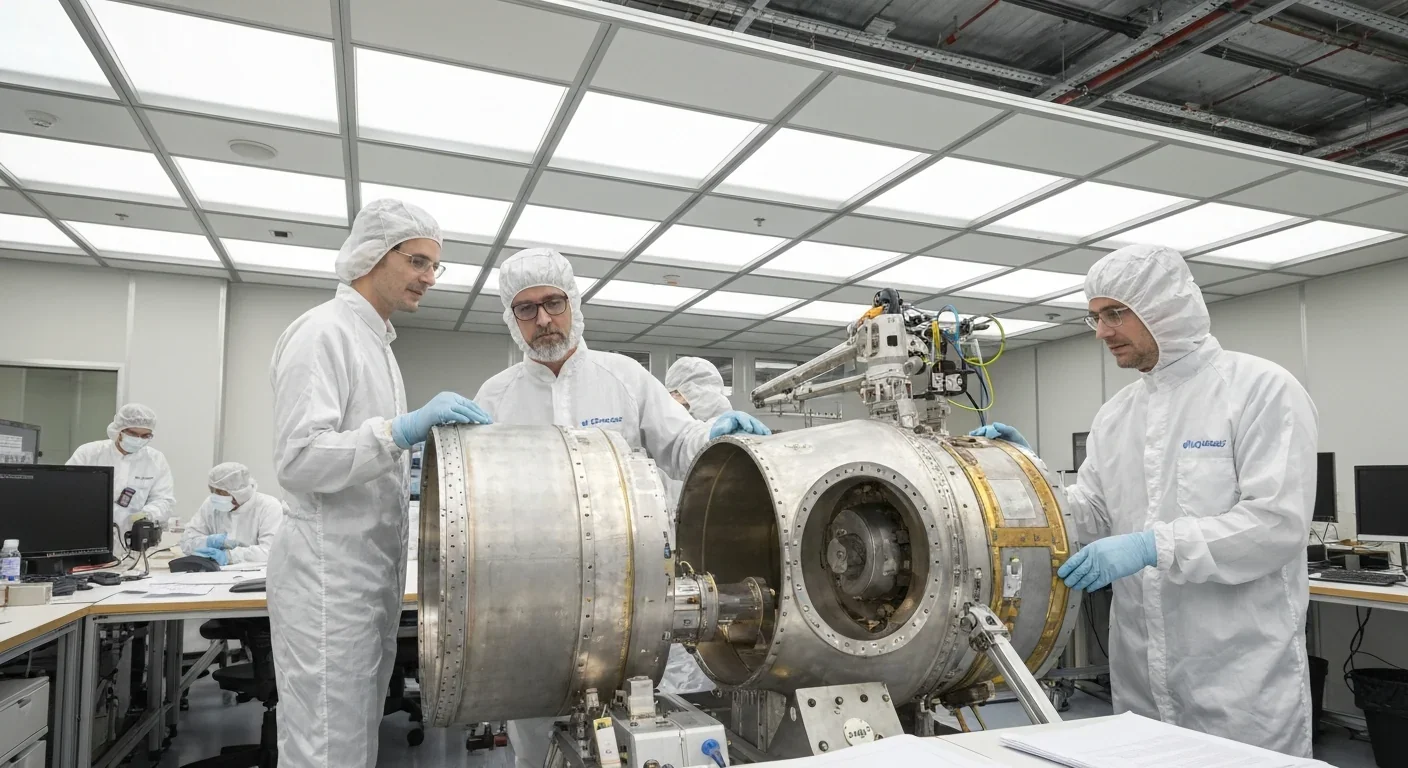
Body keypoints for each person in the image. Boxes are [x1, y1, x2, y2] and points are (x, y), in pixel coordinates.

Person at [971, 244, 1318, 757]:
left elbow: (1275, 526)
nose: (1103, 333)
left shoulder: (1261, 390)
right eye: (1094, 317)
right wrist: (1031, 478)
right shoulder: (1116, 416)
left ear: (1168, 308)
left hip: (1238, 678)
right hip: (1140, 674)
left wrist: (1152, 546)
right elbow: (1089, 512)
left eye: (1116, 314)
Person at [473, 248, 769, 767]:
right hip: (532, 600)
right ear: (510, 318)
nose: (543, 319)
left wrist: (716, 438)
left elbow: (681, 446)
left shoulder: (623, 378)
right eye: (526, 309)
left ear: (573, 303)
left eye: (553, 302)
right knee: (535, 736)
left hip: (626, 596)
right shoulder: (496, 398)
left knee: (628, 733)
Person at [267, 199, 490, 768]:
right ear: (372, 255)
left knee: (351, 739)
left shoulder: (376, 343)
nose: (428, 278)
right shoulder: (324, 332)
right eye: (417, 261)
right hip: (328, 578)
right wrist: (399, 430)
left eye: (435, 266)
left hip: (365, 578)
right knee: (326, 745)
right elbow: (298, 459)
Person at [657, 356, 737, 695]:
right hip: (704, 583)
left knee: (688, 672)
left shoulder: (717, 435)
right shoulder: (672, 441)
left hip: (695, 582)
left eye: (673, 394)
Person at [67, 403, 175, 544]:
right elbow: (67, 491)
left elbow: (164, 500)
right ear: (119, 430)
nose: (138, 440)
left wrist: (147, 514)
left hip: (132, 541)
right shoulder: (90, 453)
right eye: (133, 434)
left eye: (145, 436)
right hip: (87, 535)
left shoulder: (155, 460)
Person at [181, 462, 285, 565]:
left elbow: (269, 551)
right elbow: (187, 542)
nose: (215, 497)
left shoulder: (269, 507)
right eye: (212, 491)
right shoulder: (210, 504)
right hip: (213, 573)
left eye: (220, 493)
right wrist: (208, 542)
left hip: (254, 577)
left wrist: (230, 556)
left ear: (238, 494)